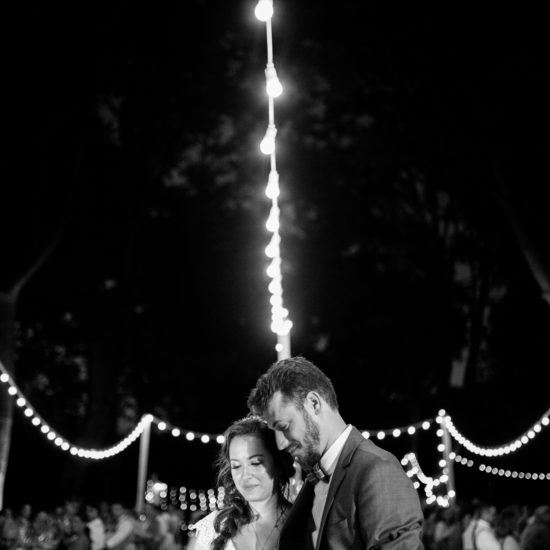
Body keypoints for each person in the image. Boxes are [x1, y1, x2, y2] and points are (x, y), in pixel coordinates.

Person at [247, 355, 424, 550]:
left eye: (284, 426)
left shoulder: (378, 470)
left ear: (314, 403)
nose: (280, 444)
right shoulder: (313, 480)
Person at [189, 415, 294, 550]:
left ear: (278, 463)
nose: (245, 475)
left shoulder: (305, 523)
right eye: (236, 466)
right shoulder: (213, 528)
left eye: (255, 463)